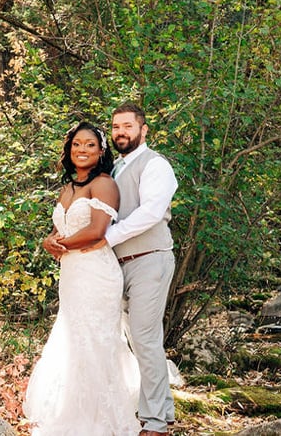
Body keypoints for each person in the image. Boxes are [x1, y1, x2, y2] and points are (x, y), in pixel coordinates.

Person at [23, 122, 141, 435]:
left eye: (90, 145)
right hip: (72, 273)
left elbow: (95, 231)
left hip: (96, 273)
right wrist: (49, 241)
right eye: (77, 144)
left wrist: (58, 244)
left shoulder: (103, 184)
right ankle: (68, 406)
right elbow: (61, 228)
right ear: (69, 149)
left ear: (102, 151)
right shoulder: (68, 187)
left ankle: (100, 416)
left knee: (94, 338)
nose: (82, 150)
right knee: (73, 336)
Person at [103, 103, 178, 436]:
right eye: (116, 126)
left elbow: (150, 213)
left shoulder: (155, 165)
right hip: (120, 266)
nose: (121, 132)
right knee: (138, 339)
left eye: (128, 126)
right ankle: (164, 410)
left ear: (143, 130)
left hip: (150, 259)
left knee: (145, 340)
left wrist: (105, 238)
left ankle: (156, 423)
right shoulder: (116, 169)